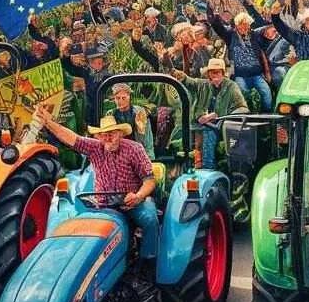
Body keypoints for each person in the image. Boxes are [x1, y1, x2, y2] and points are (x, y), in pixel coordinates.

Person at [35, 106, 158, 270]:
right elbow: (71, 138)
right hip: (103, 205)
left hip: (131, 202)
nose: (107, 137)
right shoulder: (94, 148)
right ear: (98, 136)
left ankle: (148, 262)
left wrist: (138, 196)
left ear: (120, 133)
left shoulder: (134, 149)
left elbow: (149, 180)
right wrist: (48, 122)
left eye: (111, 133)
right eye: (103, 134)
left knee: (150, 218)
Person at [171, 58, 250, 169]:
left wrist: (225, 118)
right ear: (208, 74)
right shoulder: (203, 84)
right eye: (212, 72)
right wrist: (178, 74)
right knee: (190, 133)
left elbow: (243, 108)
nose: (215, 75)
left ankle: (207, 168)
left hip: (222, 125)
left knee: (208, 132)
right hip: (200, 123)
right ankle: (192, 167)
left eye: (218, 72)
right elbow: (188, 81)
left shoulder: (232, 86)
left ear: (223, 73)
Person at [208, 7, 273, 112]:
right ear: (236, 25)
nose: (244, 26)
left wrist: (267, 72)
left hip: (256, 74)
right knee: (243, 94)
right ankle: (248, 116)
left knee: (267, 94)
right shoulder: (230, 35)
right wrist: (215, 13)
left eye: (246, 24)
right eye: (241, 24)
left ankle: (267, 118)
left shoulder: (255, 35)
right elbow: (217, 26)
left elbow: (266, 29)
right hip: (240, 75)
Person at [109, 83, 155, 160]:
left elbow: (146, 141)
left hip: (139, 151)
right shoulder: (111, 113)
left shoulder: (139, 112)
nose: (120, 101)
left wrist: (148, 158)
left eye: (123, 98)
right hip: (118, 152)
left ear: (129, 98)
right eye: (117, 98)